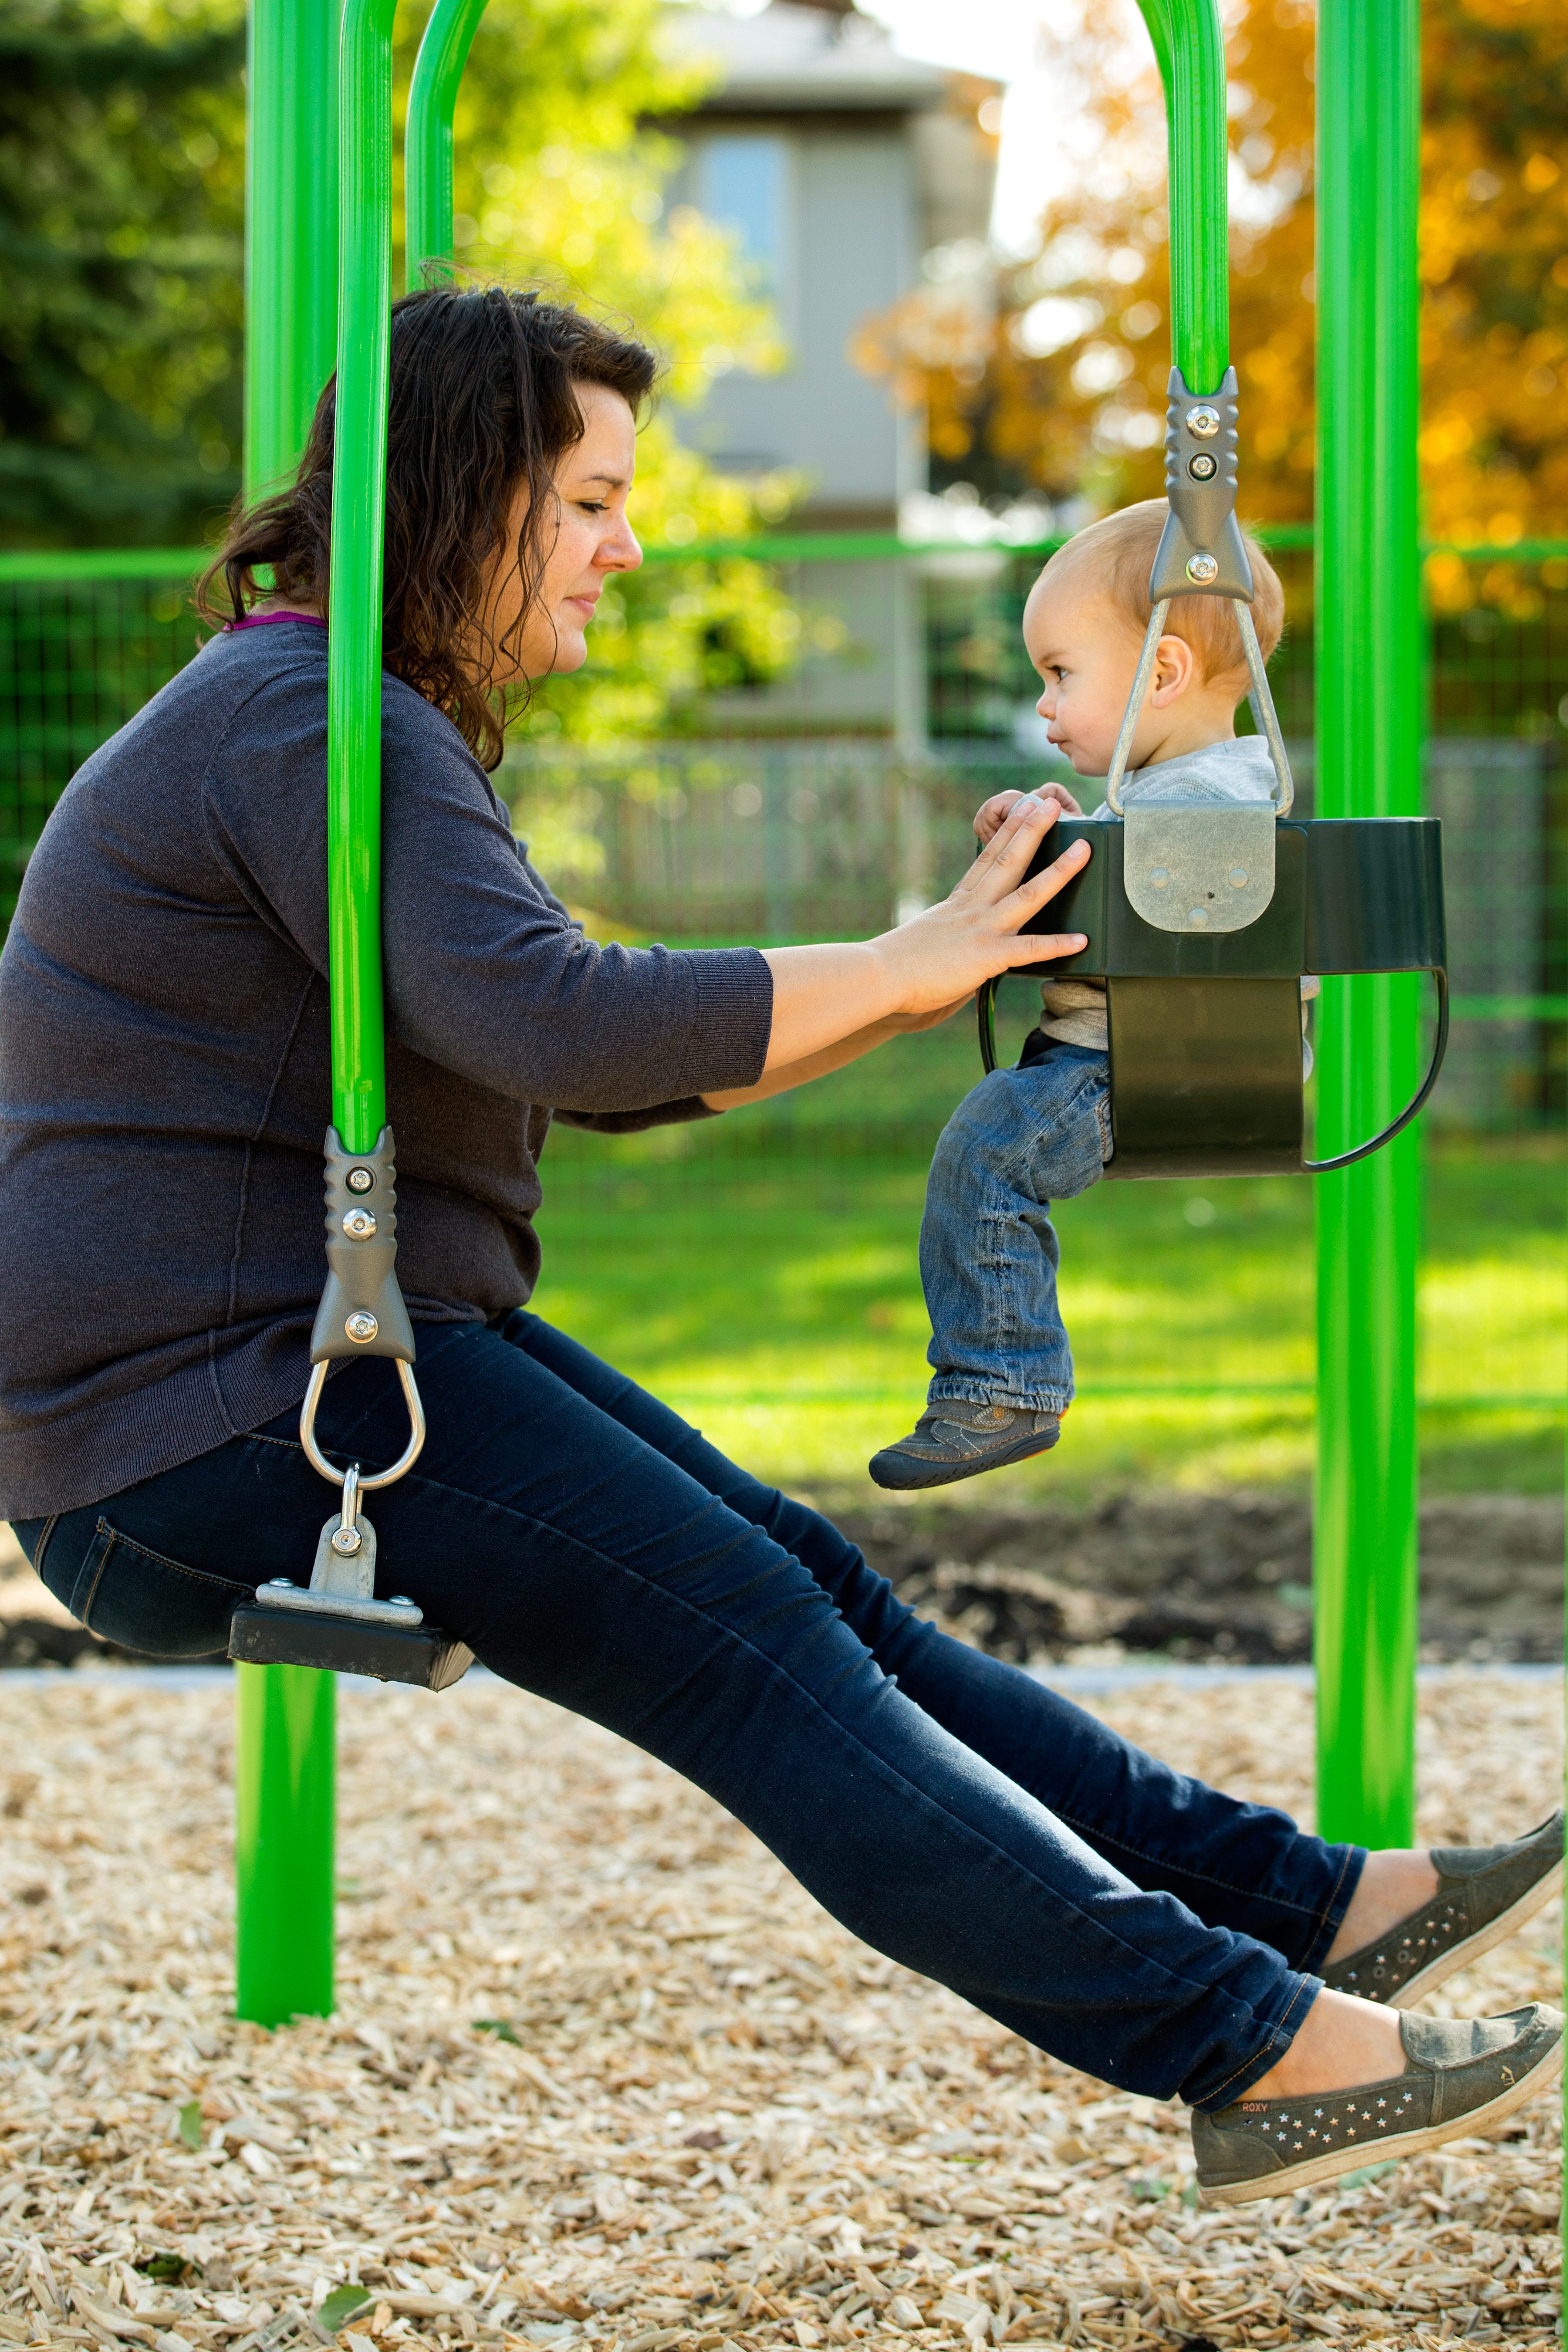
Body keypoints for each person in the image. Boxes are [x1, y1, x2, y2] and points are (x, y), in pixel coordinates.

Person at [0, 285, 1558, 2209]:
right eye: (588, 501)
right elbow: (573, 1021)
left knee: (816, 1591)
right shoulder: (314, 725)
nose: (626, 548)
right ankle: (1254, 2049)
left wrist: (934, 968)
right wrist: (914, 962)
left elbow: (593, 1067)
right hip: (219, 1420)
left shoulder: (320, 709)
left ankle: (1308, 1906)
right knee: (755, 1653)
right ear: (461, 493)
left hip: (292, 1366)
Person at [870, 506, 1315, 1491]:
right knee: (986, 1144)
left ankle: (1003, 1384)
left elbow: (1161, 913)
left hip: (1156, 1066)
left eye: (1061, 674)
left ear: (1162, 675)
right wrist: (1047, 834)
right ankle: (1000, 1379)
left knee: (989, 1148)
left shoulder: (1214, 807)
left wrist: (1060, 851)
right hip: (1126, 1060)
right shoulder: (1181, 795)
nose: (1043, 706)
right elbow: (1115, 872)